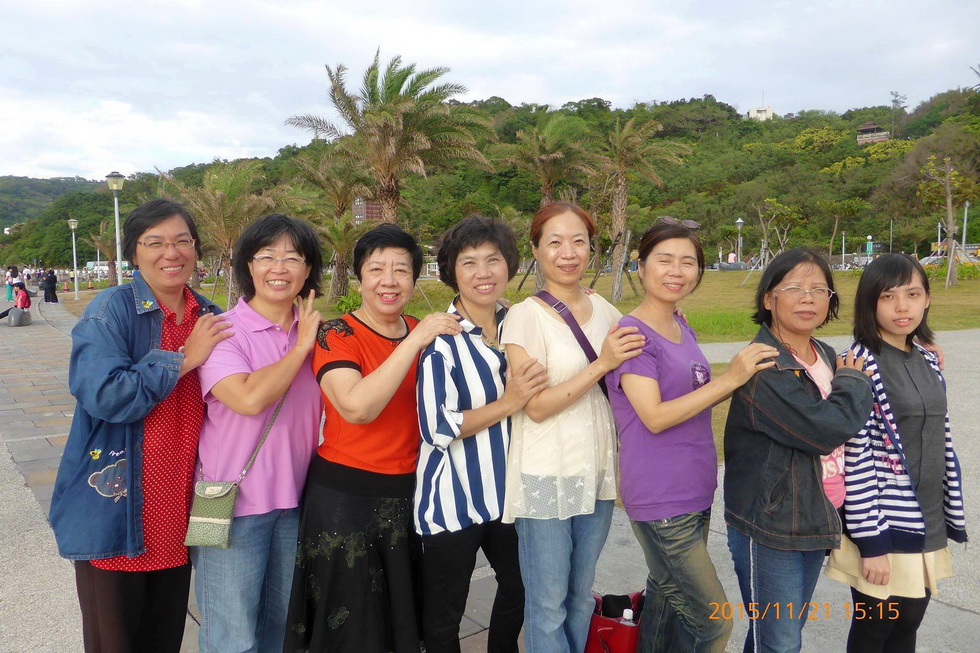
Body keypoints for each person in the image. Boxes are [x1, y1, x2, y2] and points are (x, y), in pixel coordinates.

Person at [49, 199, 233, 653]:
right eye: (155, 243)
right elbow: (104, 394)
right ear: (134, 252)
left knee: (165, 638)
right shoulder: (111, 310)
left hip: (182, 512)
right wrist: (183, 360)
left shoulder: (209, 315)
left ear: (196, 248)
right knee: (116, 642)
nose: (172, 253)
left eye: (182, 241)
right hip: (117, 512)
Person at [284, 224, 462, 653]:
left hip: (409, 498)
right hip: (345, 501)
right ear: (359, 278)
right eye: (377, 269)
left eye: (401, 270)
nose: (389, 280)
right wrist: (415, 340)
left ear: (415, 278)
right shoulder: (337, 334)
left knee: (399, 625)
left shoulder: (425, 330)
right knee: (351, 630)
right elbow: (357, 407)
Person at [607, 220, 778, 653]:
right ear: (641, 266)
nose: (676, 271)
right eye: (664, 260)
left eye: (688, 262)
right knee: (713, 621)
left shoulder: (681, 326)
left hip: (694, 490)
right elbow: (654, 417)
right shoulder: (633, 336)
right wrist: (731, 378)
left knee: (666, 600)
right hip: (661, 496)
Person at [500, 201, 645, 653]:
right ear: (535, 250)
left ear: (591, 248)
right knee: (548, 604)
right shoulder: (525, 316)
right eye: (555, 242)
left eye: (578, 241)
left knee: (580, 596)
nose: (568, 252)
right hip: (545, 474)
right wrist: (601, 363)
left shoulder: (604, 309)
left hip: (595, 473)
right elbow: (536, 407)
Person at [723, 248, 875, 653]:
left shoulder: (823, 353)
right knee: (781, 642)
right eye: (794, 288)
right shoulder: (764, 365)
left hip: (815, 516)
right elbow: (822, 431)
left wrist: (923, 345)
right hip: (772, 524)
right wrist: (853, 383)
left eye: (819, 289)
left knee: (777, 636)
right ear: (768, 299)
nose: (808, 298)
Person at [190, 214, 325, 652]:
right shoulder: (223, 331)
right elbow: (247, 398)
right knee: (230, 634)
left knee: (282, 627)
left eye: (293, 258)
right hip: (226, 503)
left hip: (296, 502)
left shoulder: (318, 332)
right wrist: (300, 348)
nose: (279, 268)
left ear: (308, 269)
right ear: (248, 265)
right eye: (267, 256)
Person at [415, 215, 548, 653]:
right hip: (453, 501)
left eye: (493, 260)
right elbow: (437, 426)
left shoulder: (519, 324)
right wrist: (509, 402)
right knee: (444, 615)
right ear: (451, 271)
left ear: (509, 265)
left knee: (521, 586)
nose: (483, 272)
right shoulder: (442, 340)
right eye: (468, 262)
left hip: (508, 496)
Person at [825, 254, 968, 653]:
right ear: (869, 303)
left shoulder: (927, 358)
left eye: (913, 294)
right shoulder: (859, 365)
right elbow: (857, 456)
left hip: (927, 520)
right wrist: (871, 542)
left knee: (908, 627)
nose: (902, 307)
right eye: (888, 296)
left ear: (927, 300)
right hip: (883, 525)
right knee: (874, 632)